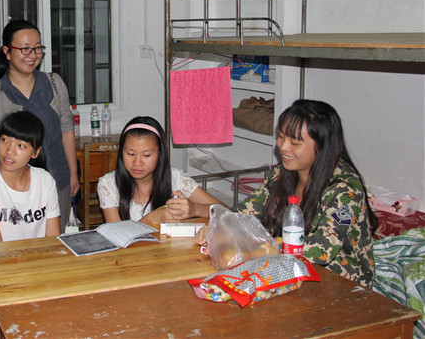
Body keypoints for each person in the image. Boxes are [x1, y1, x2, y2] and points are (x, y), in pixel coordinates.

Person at [195, 99, 376, 288]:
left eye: (295, 142)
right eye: (281, 137)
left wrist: (264, 246)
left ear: (322, 147)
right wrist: (218, 228)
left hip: (342, 283)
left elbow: (324, 248)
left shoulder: (344, 190)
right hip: (294, 270)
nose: (283, 147)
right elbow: (248, 209)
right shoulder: (281, 175)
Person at [0, 20, 78, 233]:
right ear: (7, 52)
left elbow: (66, 131)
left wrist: (73, 174)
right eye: (25, 49)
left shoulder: (54, 84)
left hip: (57, 182)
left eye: (37, 48)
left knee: (54, 245)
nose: (32, 55)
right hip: (13, 190)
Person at [98, 116, 223, 225]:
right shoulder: (108, 184)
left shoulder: (176, 178)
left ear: (160, 154)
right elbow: (116, 236)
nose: (137, 162)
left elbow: (226, 212)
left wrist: (194, 209)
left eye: (146, 155)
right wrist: (151, 219)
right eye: (130, 154)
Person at [0, 111, 61, 244]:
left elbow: (53, 240)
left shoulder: (45, 181)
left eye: (21, 145)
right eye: (5, 140)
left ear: (35, 152)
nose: (9, 151)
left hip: (38, 255)